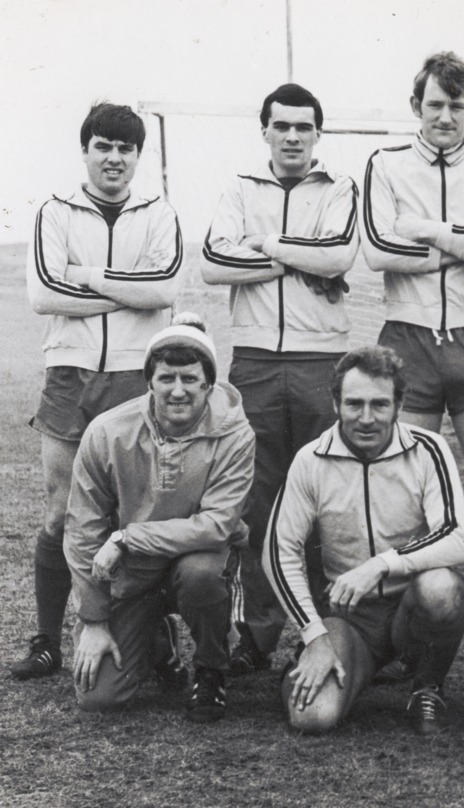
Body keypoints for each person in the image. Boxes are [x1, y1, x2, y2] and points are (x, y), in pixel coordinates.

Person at [15, 102, 184, 680]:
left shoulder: (158, 211)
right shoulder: (54, 210)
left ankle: (150, 631)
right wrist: (125, 295)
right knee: (61, 512)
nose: (114, 158)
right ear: (85, 150)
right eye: (103, 146)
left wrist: (87, 278)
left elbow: (167, 286)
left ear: (138, 156)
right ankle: (46, 640)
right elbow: (43, 294)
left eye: (125, 149)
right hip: (71, 372)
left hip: (137, 375)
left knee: (136, 512)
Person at [201, 82, 359, 677]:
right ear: (264, 130)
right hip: (257, 360)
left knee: (325, 498)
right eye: (282, 126)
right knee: (259, 501)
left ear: (318, 134)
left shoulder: (340, 187)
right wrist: (297, 255)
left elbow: (340, 256)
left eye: (305, 127)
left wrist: (262, 245)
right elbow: (214, 263)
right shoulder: (239, 188)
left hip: (323, 360)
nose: (293, 136)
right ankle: (259, 633)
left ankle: (326, 629)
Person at [266, 346, 464, 735]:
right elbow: (280, 553)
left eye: (379, 404)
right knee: (313, 717)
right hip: (350, 615)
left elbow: (458, 537)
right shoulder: (311, 459)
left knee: (441, 588)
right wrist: (314, 636)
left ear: (399, 404)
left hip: (411, 605)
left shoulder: (429, 448)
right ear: (334, 403)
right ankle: (332, 662)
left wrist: (380, 564)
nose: (365, 418)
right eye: (353, 403)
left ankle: (427, 686)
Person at [63, 317, 254, 722]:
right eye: (166, 378)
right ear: (149, 381)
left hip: (197, 562)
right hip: (134, 576)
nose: (178, 390)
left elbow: (217, 524)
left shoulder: (236, 433)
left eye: (190, 378)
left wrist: (127, 539)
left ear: (209, 383)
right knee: (100, 696)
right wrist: (94, 622)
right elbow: (83, 530)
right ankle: (157, 643)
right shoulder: (106, 432)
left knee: (201, 573)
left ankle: (210, 670)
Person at [361, 51, 464, 510]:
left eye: (456, 105)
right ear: (416, 106)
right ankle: (414, 582)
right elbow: (378, 252)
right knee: (401, 488)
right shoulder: (386, 164)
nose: (446, 117)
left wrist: (430, 231)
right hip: (408, 337)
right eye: (435, 105)